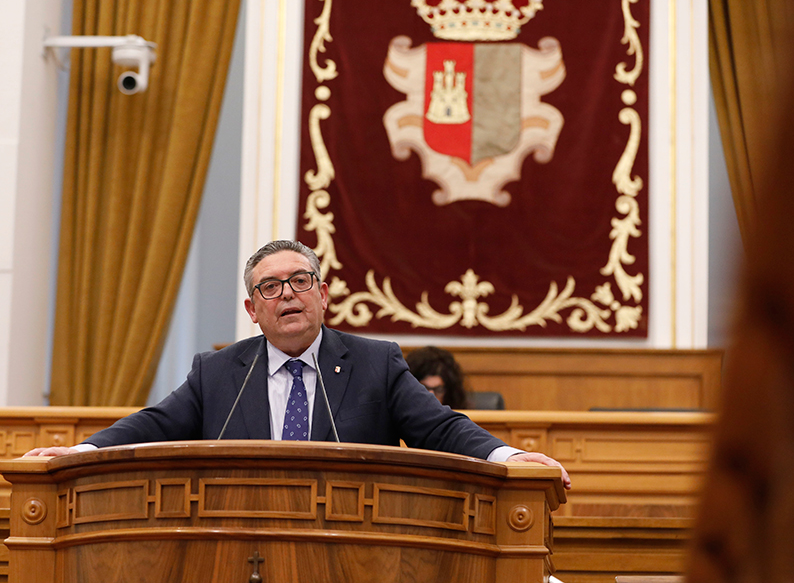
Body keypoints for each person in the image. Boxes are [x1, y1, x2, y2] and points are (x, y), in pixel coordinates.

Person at [25, 240, 570, 489]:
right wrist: (79, 451)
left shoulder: (375, 363)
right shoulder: (218, 373)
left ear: (323, 294)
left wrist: (508, 455)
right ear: (253, 309)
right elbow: (153, 425)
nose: (288, 294)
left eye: (300, 281)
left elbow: (439, 426)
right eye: (270, 286)